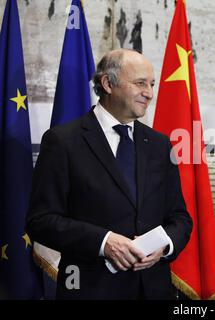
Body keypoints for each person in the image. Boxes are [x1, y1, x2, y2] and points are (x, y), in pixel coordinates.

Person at [26, 49, 192, 299]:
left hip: (153, 290)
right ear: (107, 83)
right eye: (140, 83)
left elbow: (179, 217)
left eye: (151, 84)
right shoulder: (63, 141)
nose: (149, 93)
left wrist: (165, 245)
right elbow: (41, 221)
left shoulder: (160, 145)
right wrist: (104, 242)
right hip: (90, 290)